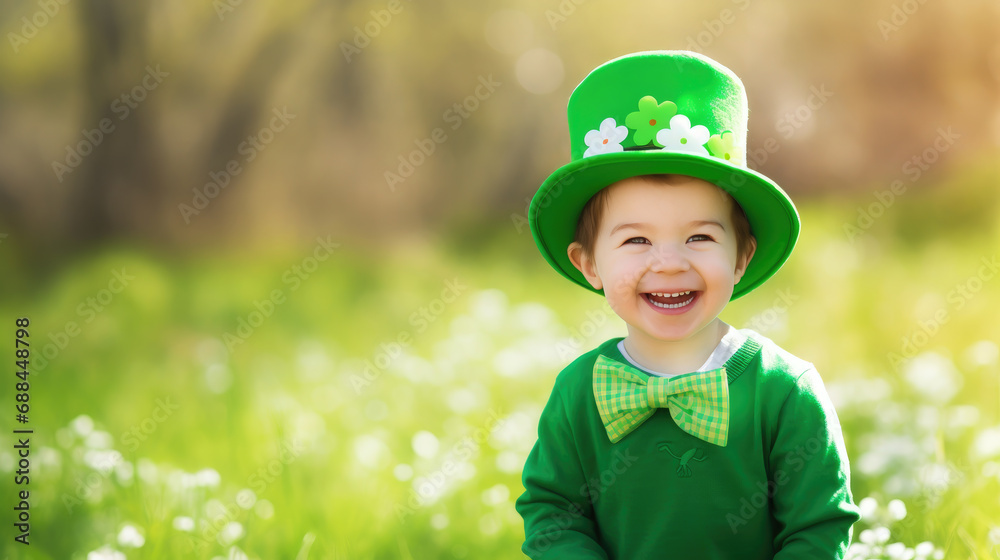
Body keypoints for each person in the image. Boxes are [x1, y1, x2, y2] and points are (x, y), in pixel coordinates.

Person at [515, 50, 861, 559]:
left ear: (742, 257)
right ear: (589, 264)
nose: (670, 264)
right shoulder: (578, 392)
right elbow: (552, 514)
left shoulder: (784, 391)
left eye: (699, 237)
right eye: (636, 241)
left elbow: (818, 526)